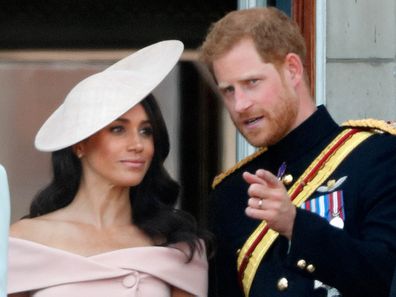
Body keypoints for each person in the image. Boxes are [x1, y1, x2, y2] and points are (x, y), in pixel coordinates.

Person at [199, 7, 396, 297]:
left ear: (292, 69)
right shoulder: (231, 193)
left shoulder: (376, 156)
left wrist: (296, 225)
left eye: (251, 83)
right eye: (228, 90)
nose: (240, 104)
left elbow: (385, 277)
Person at [8, 40, 208, 297]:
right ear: (80, 143)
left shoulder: (177, 246)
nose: (138, 144)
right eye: (118, 129)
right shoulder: (23, 241)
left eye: (146, 131)